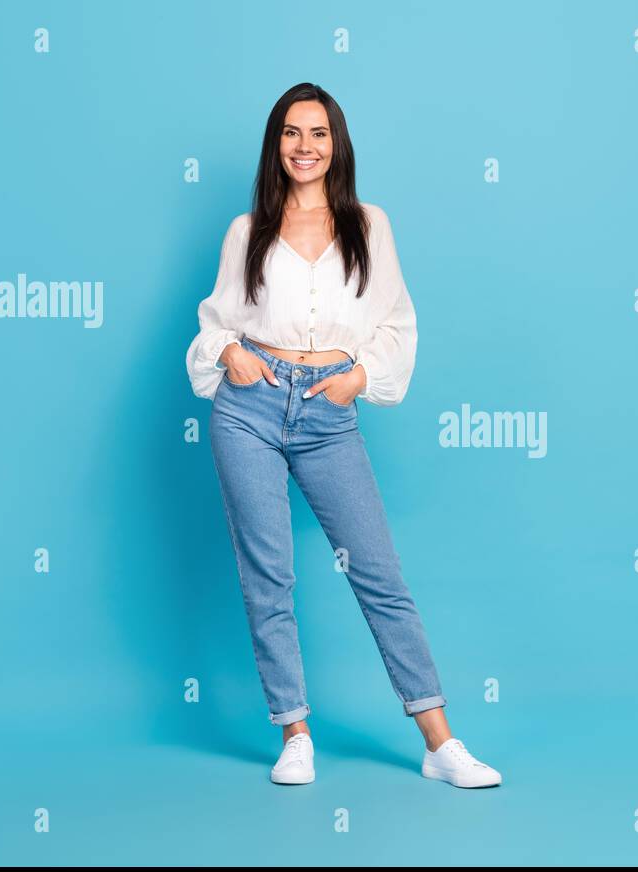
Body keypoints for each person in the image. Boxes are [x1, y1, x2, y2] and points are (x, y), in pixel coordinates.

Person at [185, 83, 501, 789]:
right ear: (276, 145)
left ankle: (439, 742)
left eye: (318, 133)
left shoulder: (369, 224)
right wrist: (228, 353)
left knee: (379, 575)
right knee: (268, 575)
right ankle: (294, 732)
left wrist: (360, 377)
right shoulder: (248, 231)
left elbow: (397, 323)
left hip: (329, 412)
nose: (305, 147)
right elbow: (215, 322)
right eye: (292, 134)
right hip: (250, 407)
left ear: (337, 143)